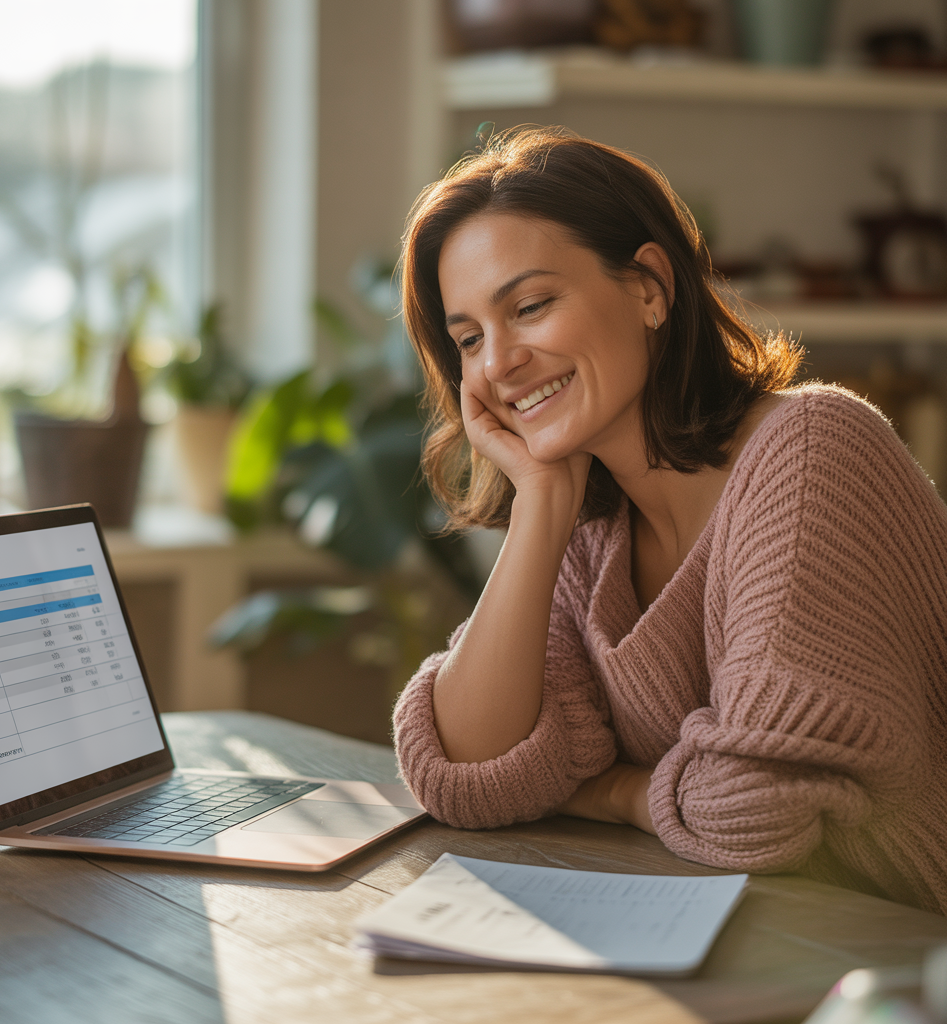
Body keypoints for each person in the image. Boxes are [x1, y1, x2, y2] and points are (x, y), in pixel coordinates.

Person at [392, 126, 947, 915]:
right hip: (773, 935)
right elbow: (469, 772)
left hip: (905, 947)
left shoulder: (813, 448)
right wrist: (543, 509)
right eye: (469, 339)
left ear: (649, 286)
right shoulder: (592, 523)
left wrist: (615, 793)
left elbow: (755, 810)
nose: (498, 364)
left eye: (532, 306)